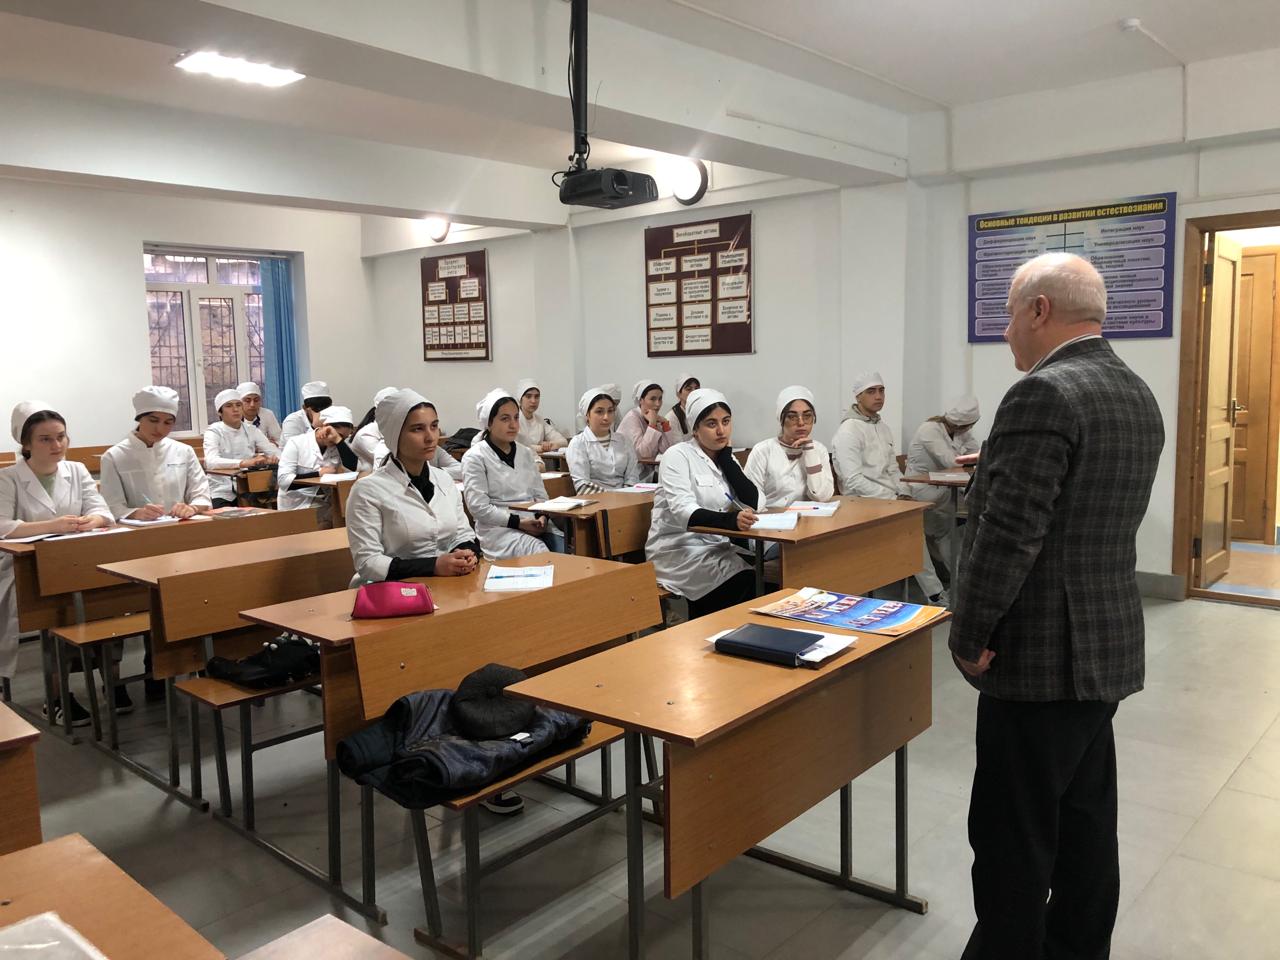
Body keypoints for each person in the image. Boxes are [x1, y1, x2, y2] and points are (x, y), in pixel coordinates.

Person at [949, 253, 1163, 960]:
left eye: (1009, 315)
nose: (1005, 331)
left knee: (1012, 838)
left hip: (1038, 660)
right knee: (1084, 825)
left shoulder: (1042, 393)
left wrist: (968, 634)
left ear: (1039, 310)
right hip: (1104, 650)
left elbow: (1009, 535)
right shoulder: (1134, 390)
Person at [0, 403, 113, 726]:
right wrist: (54, 526)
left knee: (104, 605)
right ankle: (56, 697)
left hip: (72, 564)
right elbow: (2, 526)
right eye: (45, 439)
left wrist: (91, 521)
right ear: (26, 443)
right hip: (21, 569)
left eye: (61, 436)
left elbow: (102, 511)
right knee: (53, 618)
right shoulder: (8, 478)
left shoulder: (76, 470)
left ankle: (112, 682)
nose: (57, 445)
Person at [831, 371, 947, 605]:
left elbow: (892, 469)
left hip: (888, 501)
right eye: (871, 391)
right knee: (910, 531)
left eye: (881, 390)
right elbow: (853, 480)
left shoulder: (882, 427)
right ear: (858, 396)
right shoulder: (848, 431)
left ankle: (934, 593)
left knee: (914, 528)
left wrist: (904, 492)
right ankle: (934, 594)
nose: (878, 396)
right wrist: (892, 499)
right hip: (860, 503)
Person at [346, 389, 479, 586]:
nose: (430, 437)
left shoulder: (443, 479)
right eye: (417, 429)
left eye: (434, 426)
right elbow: (368, 563)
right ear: (395, 435)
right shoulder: (367, 491)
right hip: (391, 589)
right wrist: (434, 566)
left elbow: (463, 533)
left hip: (446, 582)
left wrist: (466, 553)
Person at [645, 388, 759, 619]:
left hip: (716, 546)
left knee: (768, 576)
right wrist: (730, 520)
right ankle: (707, 633)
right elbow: (684, 512)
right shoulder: (677, 456)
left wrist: (727, 460)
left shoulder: (725, 457)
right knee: (743, 582)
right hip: (678, 550)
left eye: (726, 421)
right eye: (711, 424)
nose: (721, 430)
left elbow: (754, 501)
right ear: (695, 429)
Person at [462, 388, 563, 559]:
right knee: (539, 552)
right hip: (498, 530)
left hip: (533, 523)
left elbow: (540, 494)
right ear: (489, 422)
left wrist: (542, 516)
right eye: (505, 418)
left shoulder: (526, 453)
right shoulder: (475, 457)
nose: (513, 424)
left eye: (516, 417)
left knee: (565, 549)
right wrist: (518, 522)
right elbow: (479, 508)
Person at [100, 386, 211, 521]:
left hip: (180, 525)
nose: (160, 428)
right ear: (139, 419)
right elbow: (111, 505)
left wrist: (192, 508)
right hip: (139, 529)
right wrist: (136, 513)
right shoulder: (114, 456)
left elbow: (201, 494)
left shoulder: (184, 451)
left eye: (168, 423)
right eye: (153, 420)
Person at [905, 396, 981, 582]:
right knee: (953, 529)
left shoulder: (960, 432)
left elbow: (976, 454)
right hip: (922, 491)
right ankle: (960, 584)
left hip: (945, 489)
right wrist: (972, 460)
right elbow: (951, 461)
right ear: (965, 424)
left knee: (959, 527)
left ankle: (963, 582)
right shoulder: (929, 429)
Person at [744, 386, 835, 508]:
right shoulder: (763, 451)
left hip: (810, 517)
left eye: (807, 416)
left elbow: (822, 497)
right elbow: (749, 502)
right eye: (792, 417)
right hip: (771, 517)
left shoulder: (819, 450)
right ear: (781, 419)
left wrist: (809, 451)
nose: (801, 422)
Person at [277, 406, 357, 525]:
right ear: (326, 426)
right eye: (338, 435)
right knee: (337, 519)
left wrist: (338, 440)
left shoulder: (338, 446)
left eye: (344, 438)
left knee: (353, 513)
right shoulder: (297, 443)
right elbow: (284, 481)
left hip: (328, 500)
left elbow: (353, 467)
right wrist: (318, 474)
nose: (339, 441)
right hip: (299, 502)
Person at [203, 389, 280, 508]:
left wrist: (273, 459)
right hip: (221, 490)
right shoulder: (213, 431)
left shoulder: (251, 429)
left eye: (238, 405)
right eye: (229, 406)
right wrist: (244, 463)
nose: (235, 409)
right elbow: (211, 462)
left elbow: (275, 452)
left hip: (251, 488)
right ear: (220, 412)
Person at [565, 388, 640, 493]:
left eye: (610, 411)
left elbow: (632, 477)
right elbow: (582, 485)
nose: (606, 417)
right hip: (594, 499)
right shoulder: (578, 443)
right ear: (587, 414)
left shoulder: (624, 441)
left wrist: (625, 495)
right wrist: (615, 497)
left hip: (626, 498)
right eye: (599, 412)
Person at [617, 379, 675, 479]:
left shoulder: (654, 418)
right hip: (628, 475)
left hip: (647, 473)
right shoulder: (632, 417)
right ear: (641, 400)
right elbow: (643, 453)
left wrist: (665, 425)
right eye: (653, 399)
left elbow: (667, 451)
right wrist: (652, 424)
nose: (658, 404)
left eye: (660, 399)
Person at [514, 379, 568, 454]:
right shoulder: (514, 421)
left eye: (536, 396)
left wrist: (549, 445)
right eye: (528, 396)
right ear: (520, 399)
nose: (533, 401)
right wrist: (542, 448)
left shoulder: (540, 421)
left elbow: (564, 442)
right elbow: (517, 446)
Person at [664, 374, 700, 443]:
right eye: (688, 389)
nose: (694, 392)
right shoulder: (671, 418)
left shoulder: (701, 412)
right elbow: (677, 446)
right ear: (678, 394)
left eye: (696, 388)